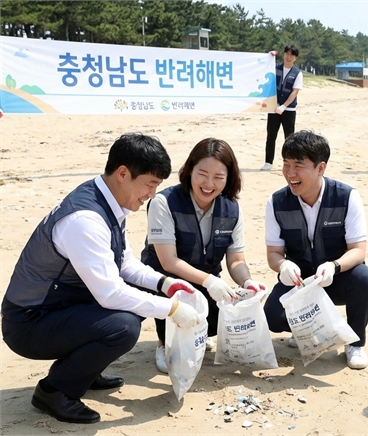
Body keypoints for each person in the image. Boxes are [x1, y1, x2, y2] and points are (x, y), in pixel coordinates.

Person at [1, 133, 202, 424]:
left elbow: (124, 262)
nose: (152, 194)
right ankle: (54, 391)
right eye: (150, 184)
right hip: (29, 322)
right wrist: (172, 308)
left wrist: (164, 284)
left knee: (138, 298)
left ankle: (85, 370)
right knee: (123, 326)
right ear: (123, 174)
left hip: (57, 305)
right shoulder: (85, 219)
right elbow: (110, 294)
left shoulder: (109, 199)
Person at [141, 138, 267, 373]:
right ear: (190, 170)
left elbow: (236, 260)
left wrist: (247, 282)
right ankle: (164, 343)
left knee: (233, 313)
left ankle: (199, 332)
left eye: (219, 177)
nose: (209, 184)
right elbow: (168, 261)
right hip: (167, 283)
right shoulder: (163, 203)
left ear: (229, 178)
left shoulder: (232, 209)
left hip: (206, 284)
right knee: (175, 300)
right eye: (202, 174)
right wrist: (209, 281)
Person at [263, 130, 368, 369]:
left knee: (363, 278)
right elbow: (273, 253)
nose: (290, 173)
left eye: (298, 166)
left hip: (335, 278)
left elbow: (358, 250)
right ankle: (305, 329)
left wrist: (334, 266)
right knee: (272, 316)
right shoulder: (277, 202)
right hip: (300, 283)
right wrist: (283, 265)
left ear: (320, 168)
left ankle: (355, 343)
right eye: (286, 164)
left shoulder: (347, 197)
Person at [263, 45, 303, 171]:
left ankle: (290, 163)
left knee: (289, 138)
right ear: (284, 54)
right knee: (271, 136)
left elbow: (295, 92)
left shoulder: (297, 73)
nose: (288, 57)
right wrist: (268, 58)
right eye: (287, 53)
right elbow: (263, 71)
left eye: (292, 55)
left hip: (289, 110)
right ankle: (268, 162)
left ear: (295, 58)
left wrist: (284, 106)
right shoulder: (275, 68)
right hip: (273, 108)